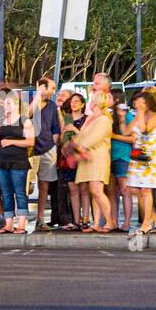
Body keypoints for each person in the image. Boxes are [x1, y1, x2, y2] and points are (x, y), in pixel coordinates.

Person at [0, 89, 35, 234]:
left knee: (20, 192)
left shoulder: (24, 121)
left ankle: (22, 224)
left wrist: (11, 142)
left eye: (9, 103)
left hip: (18, 161)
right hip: (2, 161)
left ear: (16, 104)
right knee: (6, 193)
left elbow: (30, 142)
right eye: (4, 103)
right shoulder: (2, 121)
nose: (6, 106)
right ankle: (8, 223)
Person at [74, 91, 114, 232]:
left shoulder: (104, 119)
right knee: (93, 190)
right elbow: (81, 135)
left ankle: (110, 221)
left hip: (98, 157)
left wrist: (81, 147)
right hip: (88, 157)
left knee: (97, 190)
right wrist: (77, 145)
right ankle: (96, 223)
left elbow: (95, 138)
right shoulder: (91, 119)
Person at [125, 91, 156, 235]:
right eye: (136, 102)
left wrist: (140, 114)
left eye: (140, 102)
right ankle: (154, 217)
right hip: (137, 154)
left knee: (146, 190)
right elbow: (127, 131)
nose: (137, 105)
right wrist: (124, 118)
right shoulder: (136, 116)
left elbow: (144, 129)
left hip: (151, 155)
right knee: (133, 189)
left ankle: (147, 222)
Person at [29, 76, 63, 229]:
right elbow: (26, 114)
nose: (53, 92)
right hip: (29, 150)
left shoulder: (52, 106)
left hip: (47, 149)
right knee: (26, 186)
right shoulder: (29, 101)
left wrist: (53, 143)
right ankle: (22, 218)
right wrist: (37, 95)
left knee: (44, 186)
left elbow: (56, 127)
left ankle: (40, 218)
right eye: (52, 88)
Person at [60, 92, 89, 230]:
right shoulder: (66, 118)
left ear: (83, 104)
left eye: (77, 101)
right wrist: (63, 144)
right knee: (72, 189)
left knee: (84, 188)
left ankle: (86, 220)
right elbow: (62, 137)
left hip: (81, 156)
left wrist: (75, 130)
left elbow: (87, 138)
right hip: (68, 156)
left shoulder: (87, 119)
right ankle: (76, 220)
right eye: (72, 101)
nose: (74, 103)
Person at [109, 99, 134, 231]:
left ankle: (127, 222)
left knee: (125, 190)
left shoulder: (129, 117)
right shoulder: (110, 116)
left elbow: (132, 138)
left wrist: (114, 136)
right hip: (110, 156)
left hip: (123, 155)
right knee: (112, 191)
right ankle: (113, 221)